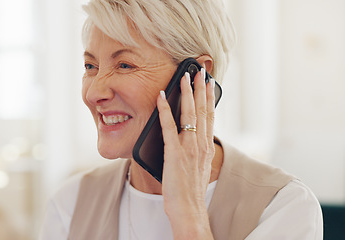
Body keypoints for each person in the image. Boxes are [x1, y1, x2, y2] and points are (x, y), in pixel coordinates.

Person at [40, 0, 323, 239]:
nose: (94, 92)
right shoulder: (69, 205)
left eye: (125, 65)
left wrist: (189, 215)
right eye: (91, 66)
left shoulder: (284, 208)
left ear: (196, 76)